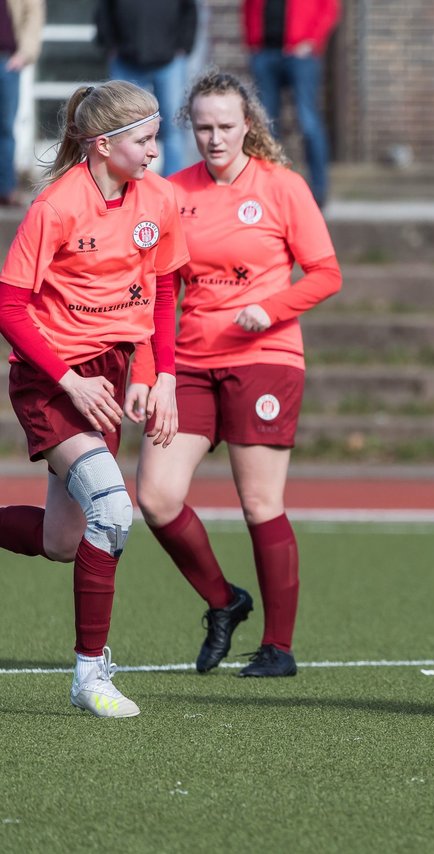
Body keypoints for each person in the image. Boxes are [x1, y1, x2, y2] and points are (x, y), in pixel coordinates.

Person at [125, 69, 342, 678]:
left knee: (259, 502)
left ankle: (278, 647)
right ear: (187, 128)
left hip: (264, 360)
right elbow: (154, 293)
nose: (214, 138)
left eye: (225, 126)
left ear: (248, 124)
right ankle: (224, 602)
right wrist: (147, 372)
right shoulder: (170, 193)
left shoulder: (282, 187)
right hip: (189, 363)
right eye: (202, 128)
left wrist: (268, 309)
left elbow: (326, 273)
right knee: (158, 497)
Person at [0, 80, 185, 717]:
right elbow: (10, 306)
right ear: (103, 145)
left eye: (155, 137)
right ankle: (90, 676)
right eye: (143, 141)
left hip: (109, 374)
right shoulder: (56, 206)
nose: (155, 152)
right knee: (112, 511)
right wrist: (68, 379)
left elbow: (160, 294)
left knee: (60, 540)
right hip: (51, 377)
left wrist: (155, 374)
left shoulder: (158, 199)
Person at [242, 0, 341, 208]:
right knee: (264, 126)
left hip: (301, 53)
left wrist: (313, 40)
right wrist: (252, 41)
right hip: (264, 51)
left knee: (308, 121)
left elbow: (329, 8)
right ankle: (266, 189)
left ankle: (319, 190)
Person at [94, 0, 198, 177]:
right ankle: (123, 180)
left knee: (173, 127)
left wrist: (184, 46)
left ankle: (173, 186)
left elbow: (189, 10)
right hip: (126, 59)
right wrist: (110, 45)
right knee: (121, 127)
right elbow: (104, 10)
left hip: (169, 61)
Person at [0, 0, 41, 205]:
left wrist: (25, 52)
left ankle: (5, 189)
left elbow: (33, 13)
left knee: (5, 127)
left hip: (6, 61)